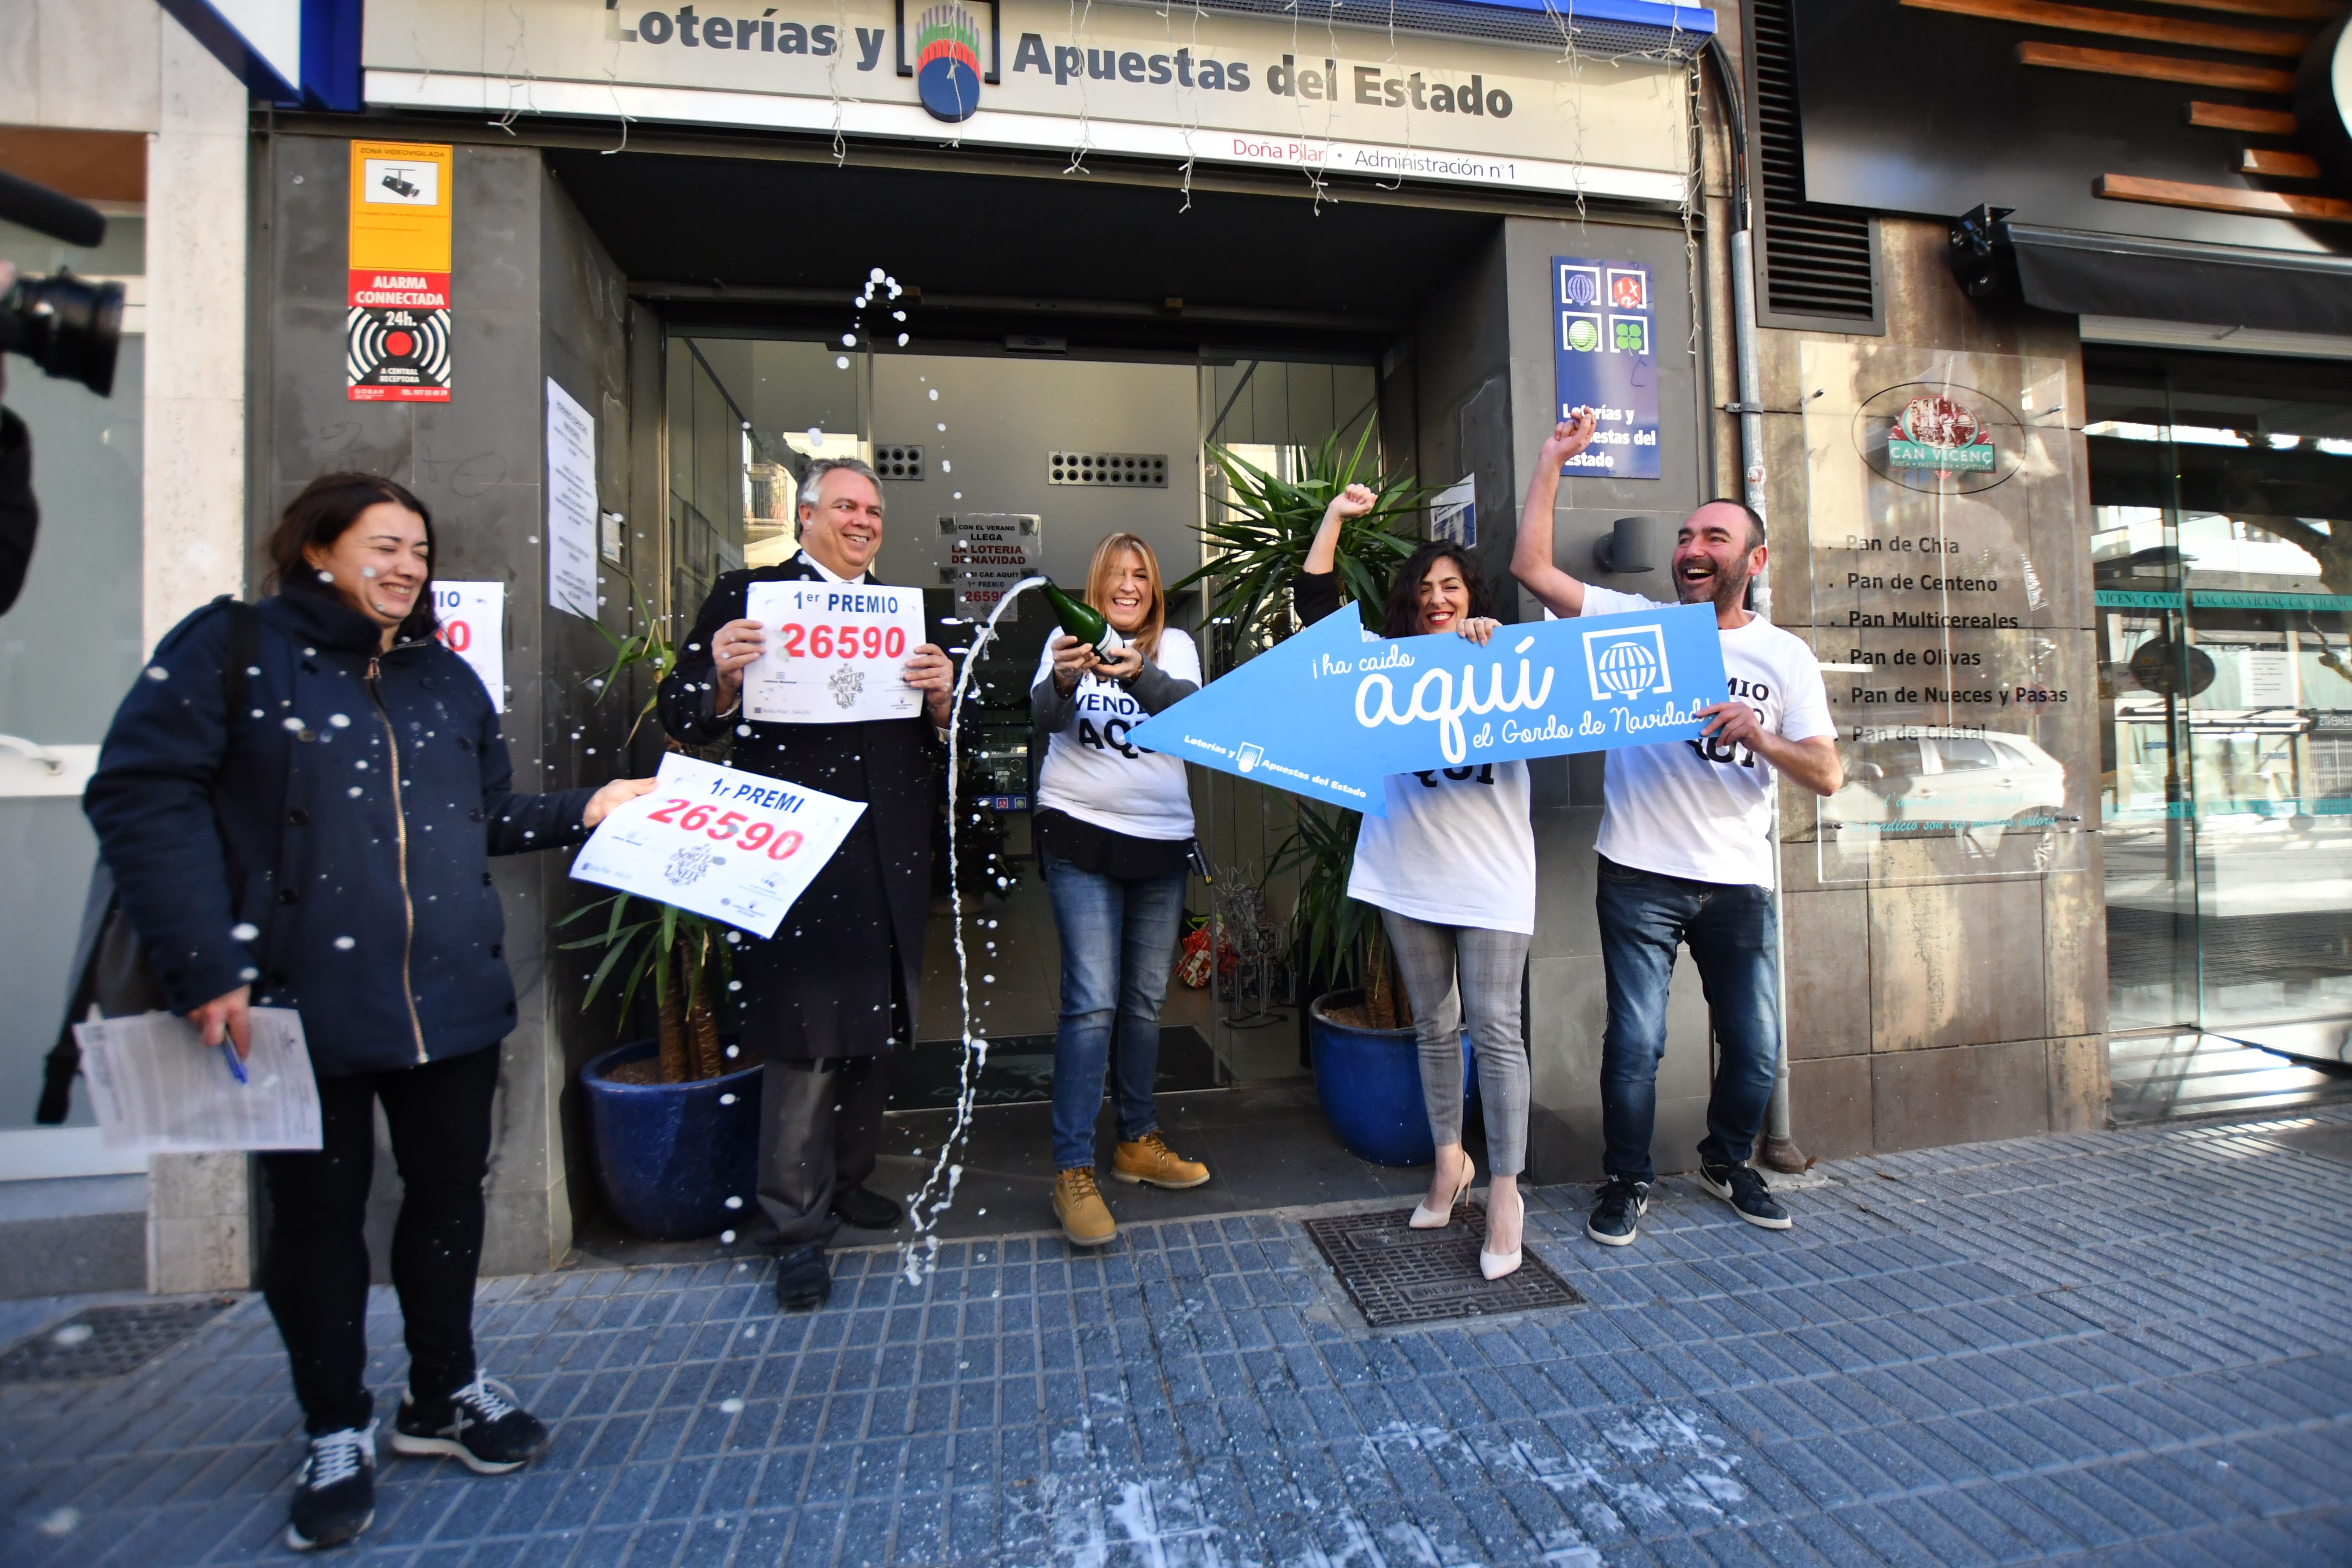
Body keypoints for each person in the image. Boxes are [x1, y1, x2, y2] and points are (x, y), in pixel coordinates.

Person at [82, 472, 658, 1552]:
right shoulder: (232, 649)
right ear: (317, 548)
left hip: (448, 997)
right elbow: (140, 792)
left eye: (420, 552)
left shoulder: (443, 676)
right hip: (292, 1000)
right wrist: (204, 961)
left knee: (448, 1199)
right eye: (384, 545)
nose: (406, 568)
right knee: (314, 1220)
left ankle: (441, 1392)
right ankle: (333, 1423)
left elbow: (486, 814)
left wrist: (588, 806)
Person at [1511, 411, 1842, 1248]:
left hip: (1739, 883)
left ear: (1754, 561)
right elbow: (1532, 570)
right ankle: (1626, 1179)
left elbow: (1827, 773)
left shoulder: (1786, 657)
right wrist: (1552, 460)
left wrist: (1760, 735)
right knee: (1636, 1043)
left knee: (1756, 1049)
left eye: (1715, 538)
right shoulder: (1638, 624)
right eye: (1687, 536)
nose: (1693, 547)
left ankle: (1726, 1162)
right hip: (1638, 874)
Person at [659, 457, 954, 1312]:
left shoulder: (911, 614)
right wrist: (720, 677)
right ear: (806, 516)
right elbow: (683, 713)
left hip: (888, 849)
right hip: (791, 850)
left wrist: (945, 701)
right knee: (802, 1034)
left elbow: (951, 734)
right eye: (846, 507)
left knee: (872, 1023)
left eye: (874, 511)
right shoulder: (746, 597)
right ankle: (794, 1224)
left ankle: (849, 1179)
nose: (863, 522)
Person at [1295, 487, 1535, 1280]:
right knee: (1435, 1026)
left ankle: (1506, 1194)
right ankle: (1448, 1165)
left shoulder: (1505, 656)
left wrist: (1494, 646)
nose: (1438, 599)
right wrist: (1334, 518)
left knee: (1495, 1029)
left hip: (1494, 878)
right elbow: (1316, 608)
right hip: (1408, 872)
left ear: (1473, 599)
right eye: (1425, 589)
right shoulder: (1384, 663)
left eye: (1452, 587)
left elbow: (1569, 690)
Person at [1030, 533, 1212, 1246]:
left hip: (1161, 841)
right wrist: (1064, 679)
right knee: (1092, 1001)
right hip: (1079, 831)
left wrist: (1140, 675)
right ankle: (1072, 1168)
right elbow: (1044, 718)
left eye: (1141, 574)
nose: (1129, 585)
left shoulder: (1177, 648)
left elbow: (1192, 720)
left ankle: (1137, 1141)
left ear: (1154, 587)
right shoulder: (1064, 641)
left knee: (1143, 1001)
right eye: (1116, 573)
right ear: (1096, 584)